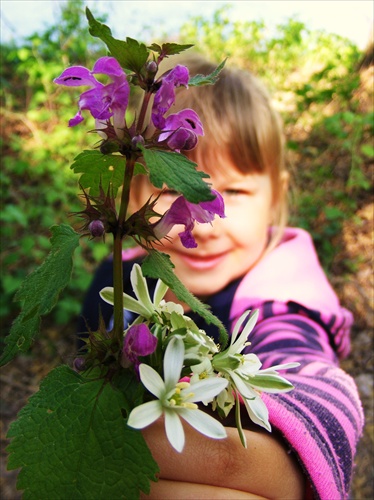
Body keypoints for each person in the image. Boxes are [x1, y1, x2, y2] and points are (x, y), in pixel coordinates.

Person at [77, 54, 364, 499]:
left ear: (276, 197)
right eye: (173, 187)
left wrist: (286, 463)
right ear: (135, 191)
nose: (207, 221)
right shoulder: (115, 276)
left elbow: (318, 383)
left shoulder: (282, 296)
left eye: (233, 191)